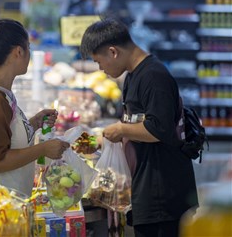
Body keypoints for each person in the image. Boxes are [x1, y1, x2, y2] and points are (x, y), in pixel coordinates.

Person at [80, 18, 198, 237]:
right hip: (149, 188)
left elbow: (158, 129)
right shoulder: (135, 75)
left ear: (113, 52)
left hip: (163, 196)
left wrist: (121, 129)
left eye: (99, 61)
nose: (101, 69)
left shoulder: (153, 76)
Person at [0, 19, 70, 196]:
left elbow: (4, 136)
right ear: (19, 51)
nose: (29, 53)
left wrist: (33, 123)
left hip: (4, 202)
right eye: (28, 47)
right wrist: (43, 149)